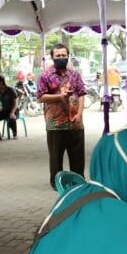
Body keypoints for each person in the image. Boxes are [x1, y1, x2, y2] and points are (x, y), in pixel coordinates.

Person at [37, 43, 86, 189]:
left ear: (68, 56)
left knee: (78, 158)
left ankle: (78, 183)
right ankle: (57, 184)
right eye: (58, 55)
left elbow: (81, 94)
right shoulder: (46, 75)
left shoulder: (74, 75)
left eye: (64, 55)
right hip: (55, 124)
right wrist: (59, 96)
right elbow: (41, 97)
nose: (61, 58)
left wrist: (79, 114)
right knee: (56, 158)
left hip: (75, 123)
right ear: (52, 57)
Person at [0, 75, 18, 140]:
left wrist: (12, 112)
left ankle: (15, 134)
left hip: (14, 110)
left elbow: (15, 103)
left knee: (11, 117)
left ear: (1, 82)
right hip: (5, 110)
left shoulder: (10, 90)